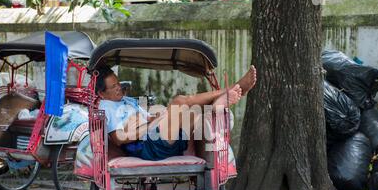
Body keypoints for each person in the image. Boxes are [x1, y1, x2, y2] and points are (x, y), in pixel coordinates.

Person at [96, 66, 257, 161]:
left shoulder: (127, 101)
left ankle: (216, 106)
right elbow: (118, 139)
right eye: (113, 87)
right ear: (102, 93)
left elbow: (149, 117)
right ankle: (231, 89)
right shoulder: (106, 106)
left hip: (161, 137)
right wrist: (151, 124)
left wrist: (159, 117)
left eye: (118, 83)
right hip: (148, 147)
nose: (119, 88)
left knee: (195, 114)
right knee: (180, 101)